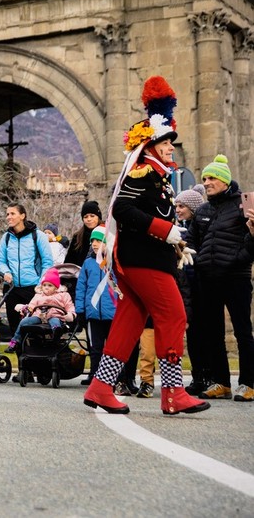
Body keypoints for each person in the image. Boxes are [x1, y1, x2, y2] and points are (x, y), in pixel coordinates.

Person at [83, 75, 208, 416]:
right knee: (174, 315)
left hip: (143, 259)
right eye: (167, 142)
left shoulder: (157, 174)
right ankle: (173, 392)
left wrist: (177, 244)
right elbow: (121, 209)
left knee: (130, 321)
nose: (171, 147)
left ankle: (100, 387)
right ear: (152, 145)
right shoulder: (143, 172)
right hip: (143, 261)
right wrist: (164, 230)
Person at [186, 155, 254, 402]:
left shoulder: (241, 206)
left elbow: (252, 245)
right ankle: (221, 382)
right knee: (211, 332)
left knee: (242, 331)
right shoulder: (203, 210)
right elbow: (192, 240)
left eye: (212, 177)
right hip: (209, 278)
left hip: (236, 277)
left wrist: (238, 258)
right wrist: (191, 256)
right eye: (205, 178)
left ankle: (248, 383)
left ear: (225, 180)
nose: (207, 182)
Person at [0, 203, 54, 353]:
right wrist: (6, 272)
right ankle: (22, 368)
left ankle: (37, 367)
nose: (8, 217)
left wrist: (42, 283)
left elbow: (48, 262)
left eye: (12, 213)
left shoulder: (38, 236)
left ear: (22, 216)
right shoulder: (6, 238)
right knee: (16, 328)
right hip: (12, 289)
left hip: (33, 289)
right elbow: (0, 261)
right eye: (7, 214)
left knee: (34, 327)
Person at [173, 187, 207, 394]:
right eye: (176, 205)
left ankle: (205, 375)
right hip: (186, 287)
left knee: (202, 334)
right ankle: (198, 377)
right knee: (193, 335)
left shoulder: (199, 228)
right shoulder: (180, 229)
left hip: (200, 286)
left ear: (193, 208)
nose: (177, 209)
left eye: (182, 206)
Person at [74, 225, 115, 386]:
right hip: (93, 313)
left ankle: (113, 375)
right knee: (95, 346)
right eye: (93, 241)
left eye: (99, 240)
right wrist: (80, 310)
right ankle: (94, 374)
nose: (95, 244)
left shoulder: (114, 262)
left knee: (112, 347)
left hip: (112, 312)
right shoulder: (88, 263)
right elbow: (81, 287)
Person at [6, 267, 75, 352]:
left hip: (55, 315)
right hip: (39, 316)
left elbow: (70, 306)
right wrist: (26, 309)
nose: (46, 287)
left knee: (55, 321)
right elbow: (32, 305)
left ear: (56, 287)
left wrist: (71, 314)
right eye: (44, 285)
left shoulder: (63, 295)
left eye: (50, 285)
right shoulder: (38, 295)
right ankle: (15, 341)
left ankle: (56, 333)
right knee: (24, 322)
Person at [64, 200, 103, 267]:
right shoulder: (77, 237)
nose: (89, 219)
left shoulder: (105, 232)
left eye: (92, 216)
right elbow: (69, 262)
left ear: (98, 217)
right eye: (86, 217)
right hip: (80, 275)